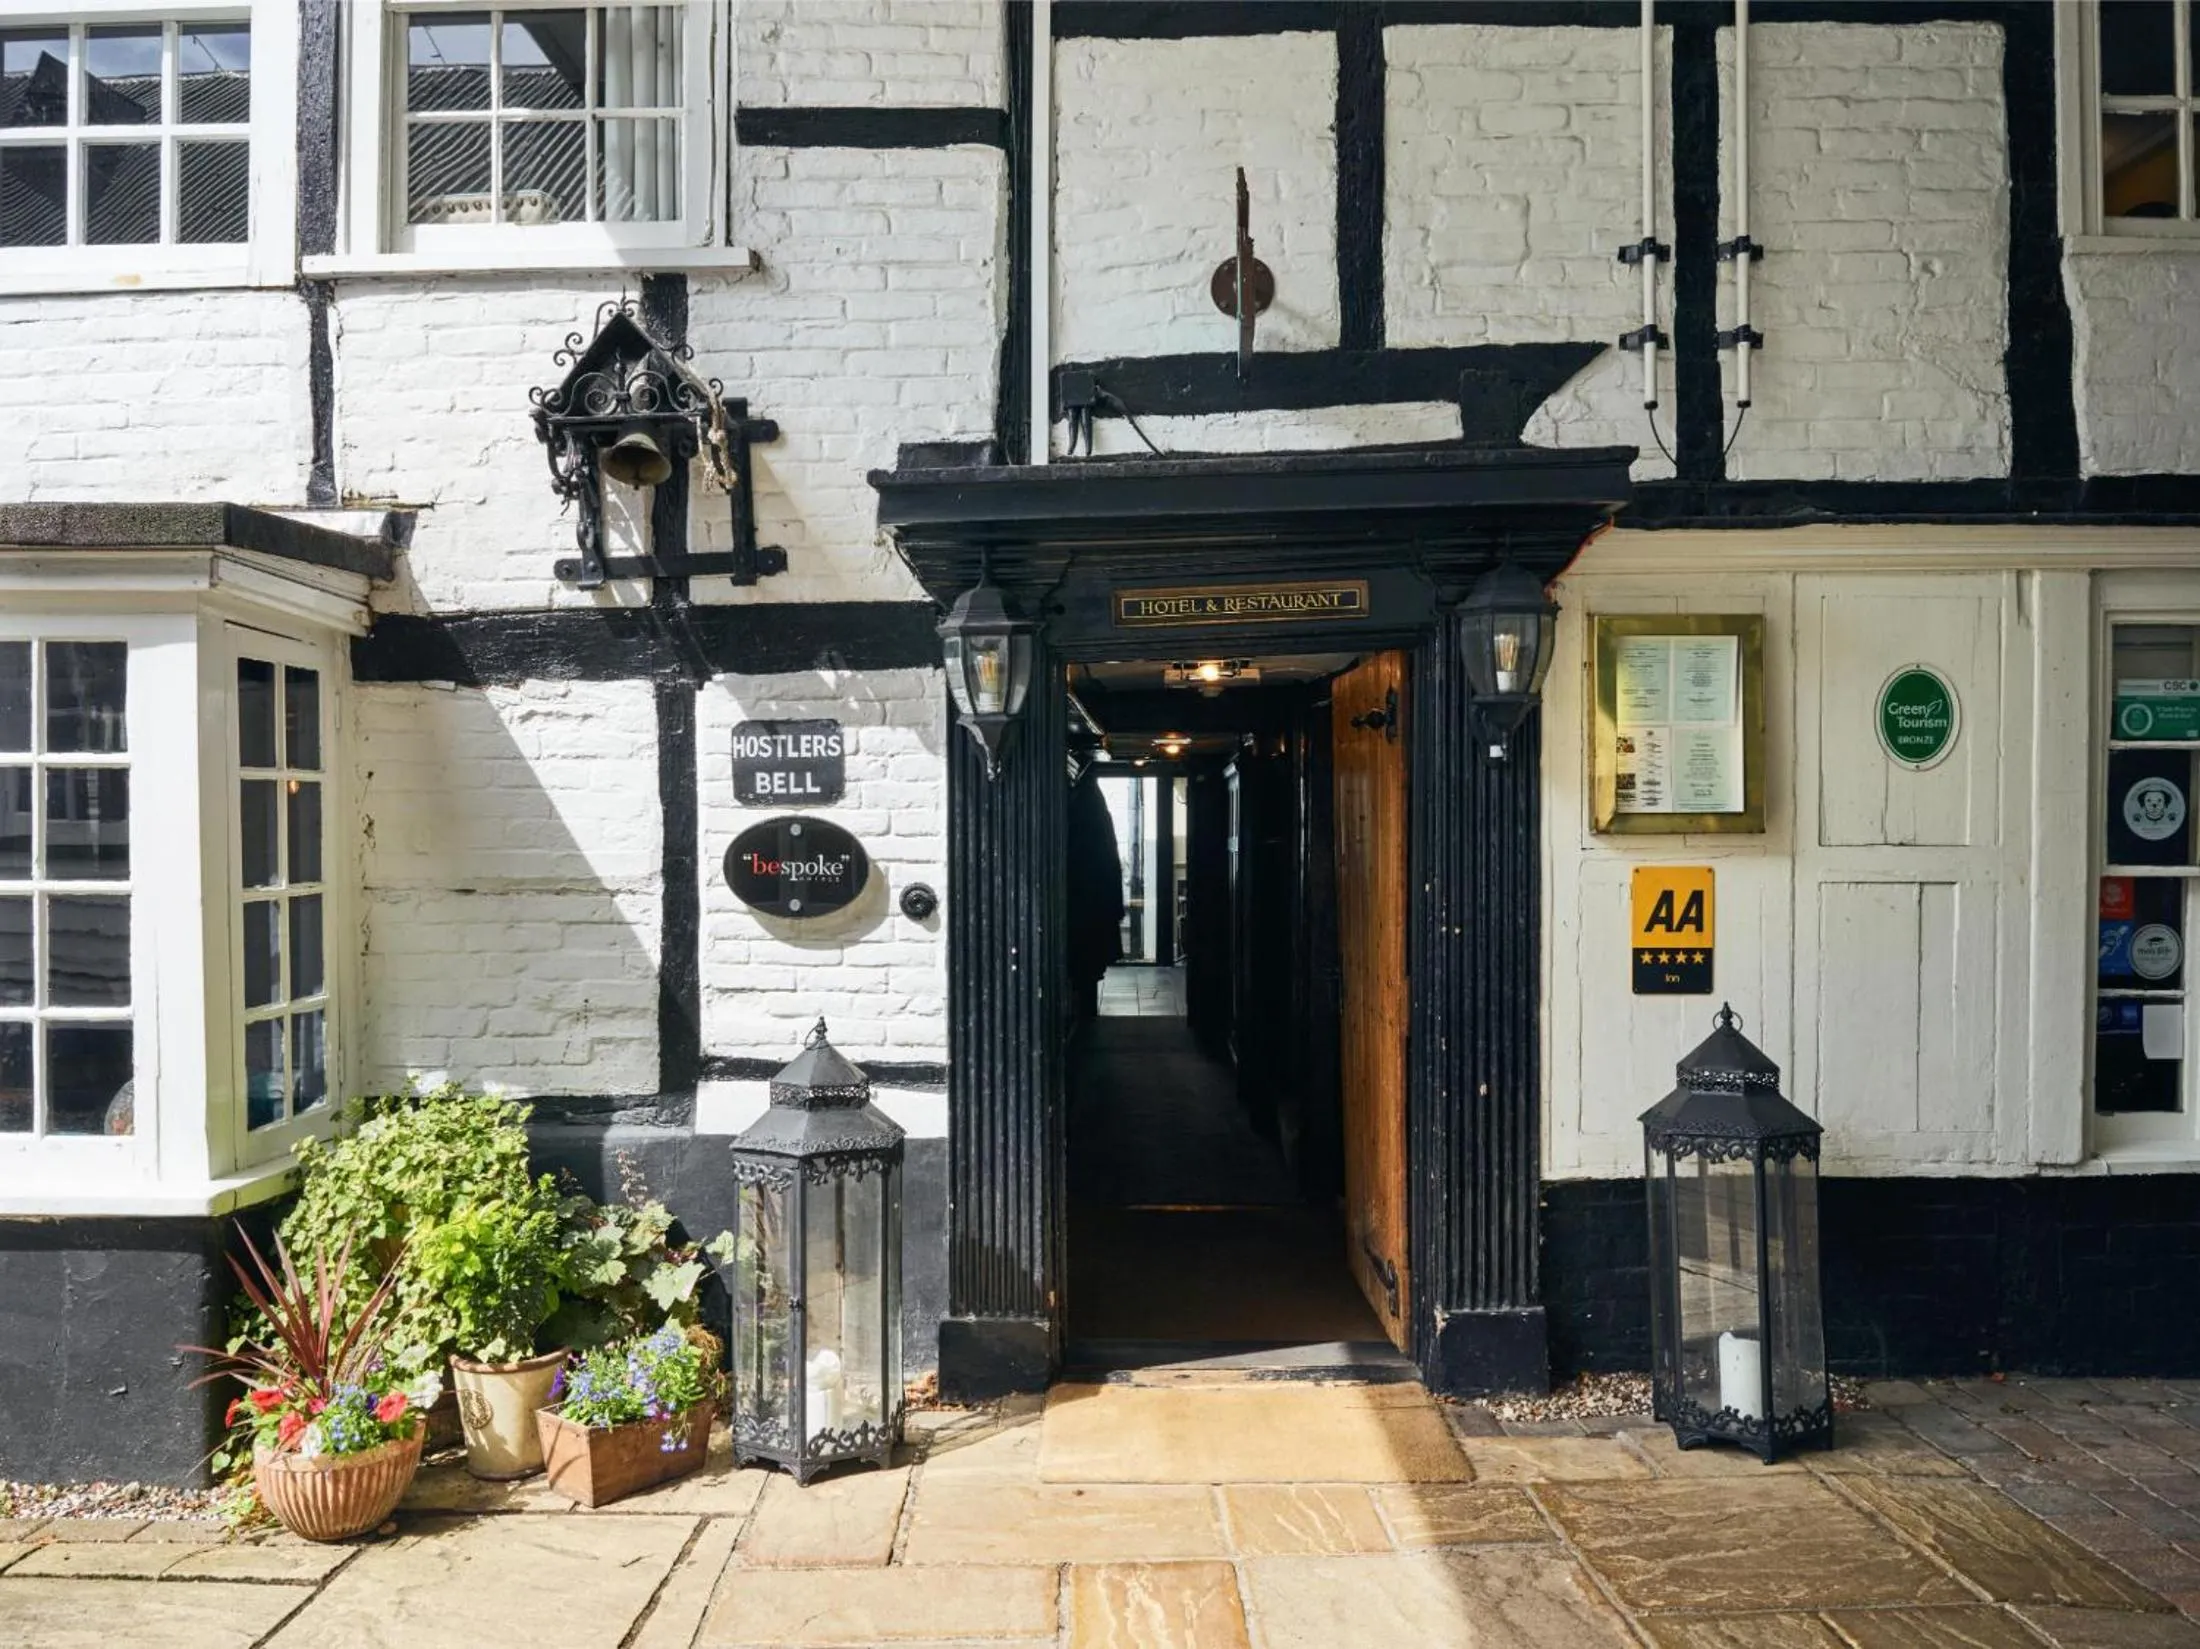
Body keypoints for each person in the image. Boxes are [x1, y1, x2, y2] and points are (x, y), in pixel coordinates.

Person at [1066, 767, 1126, 1025]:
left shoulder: (1082, 814)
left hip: (1080, 904)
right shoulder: (1097, 815)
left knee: (1082, 961)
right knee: (1087, 963)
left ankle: (1083, 1018)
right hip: (1093, 904)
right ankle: (1085, 1014)